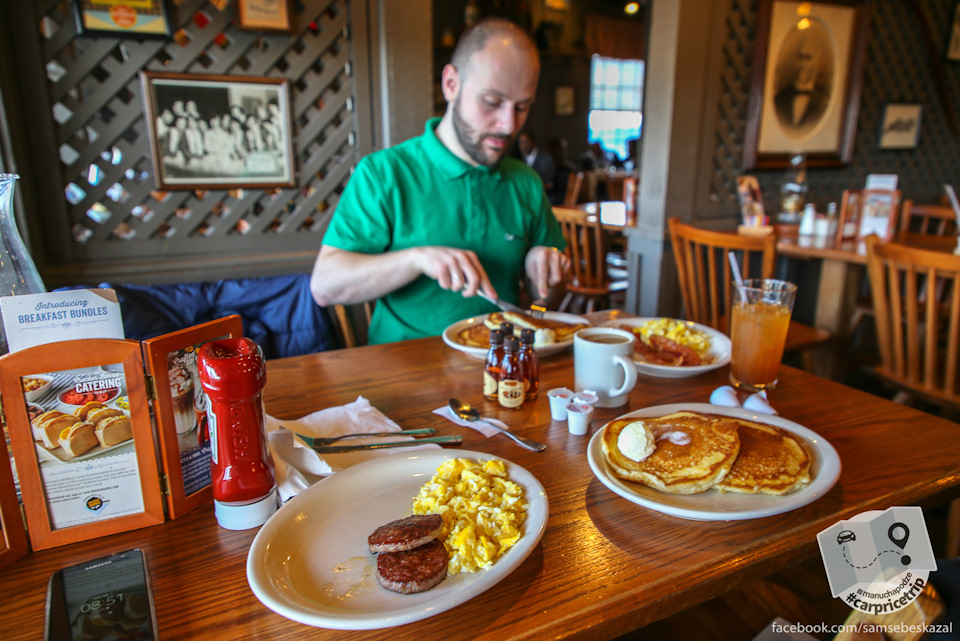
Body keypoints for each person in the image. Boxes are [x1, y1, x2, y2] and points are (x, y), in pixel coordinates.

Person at [310, 18, 570, 344]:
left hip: (500, 367)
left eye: (522, 107)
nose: (507, 125)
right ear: (451, 84)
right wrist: (415, 258)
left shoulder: (526, 182)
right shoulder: (384, 173)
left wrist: (544, 280)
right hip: (400, 375)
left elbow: (542, 307)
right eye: (491, 102)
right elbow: (324, 286)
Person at [773, 31, 831, 133]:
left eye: (808, 58)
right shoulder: (779, 99)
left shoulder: (825, 102)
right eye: (800, 57)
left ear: (817, 62)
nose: (802, 64)